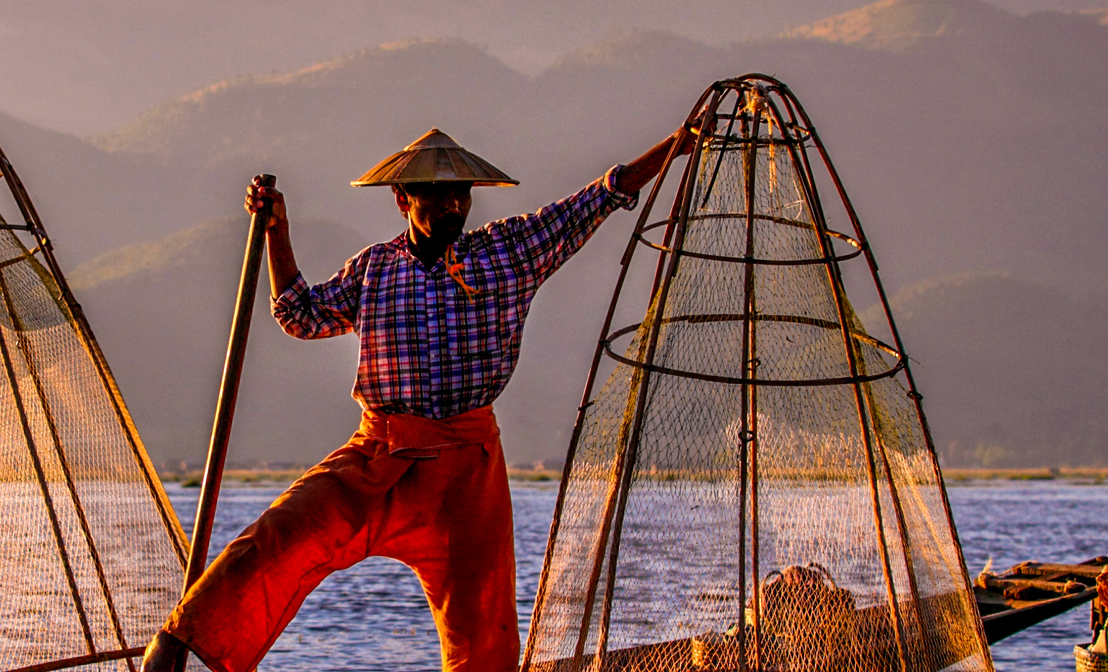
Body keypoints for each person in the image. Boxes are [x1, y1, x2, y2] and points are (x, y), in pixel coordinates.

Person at [140, 121, 703, 672]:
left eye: (460, 193)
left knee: (483, 635)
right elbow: (298, 314)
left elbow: (603, 195)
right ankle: (181, 645)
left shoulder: (508, 252)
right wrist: (275, 232)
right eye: (436, 194)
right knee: (276, 540)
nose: (453, 205)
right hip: (376, 456)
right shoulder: (375, 269)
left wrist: (678, 145)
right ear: (402, 198)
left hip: (465, 470)